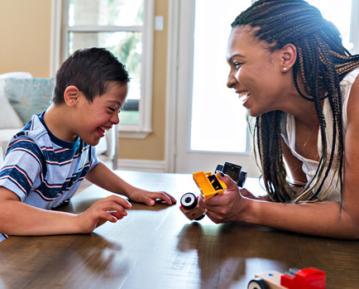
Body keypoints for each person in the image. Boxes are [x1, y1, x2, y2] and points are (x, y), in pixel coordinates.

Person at [199, 0, 359, 239]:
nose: (230, 80)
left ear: (286, 57)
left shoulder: (354, 95)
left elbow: (353, 221)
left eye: (237, 63)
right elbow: (304, 195)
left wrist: (247, 209)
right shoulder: (279, 115)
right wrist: (243, 201)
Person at [0, 48, 176, 241]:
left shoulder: (79, 139)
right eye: (111, 109)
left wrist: (131, 191)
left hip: (42, 242)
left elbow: (92, 166)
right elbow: (3, 211)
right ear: (73, 97)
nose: (116, 119)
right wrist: (79, 221)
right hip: (11, 252)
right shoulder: (30, 148)